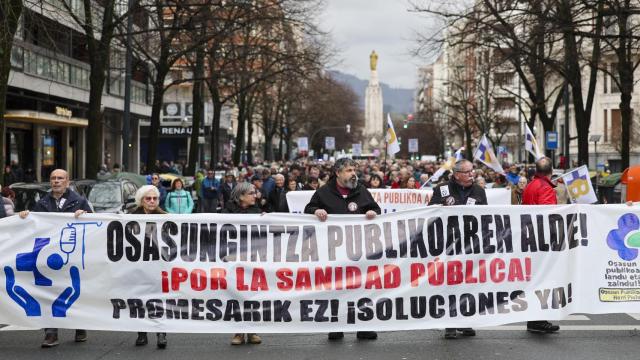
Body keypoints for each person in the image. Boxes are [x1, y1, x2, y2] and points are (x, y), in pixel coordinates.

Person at [304, 157, 381, 341]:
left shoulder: (361, 190)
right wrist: (316, 211)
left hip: (359, 251)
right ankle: (336, 326)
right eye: (348, 170)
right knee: (336, 289)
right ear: (337, 173)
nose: (353, 173)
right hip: (334, 251)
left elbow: (375, 208)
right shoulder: (324, 192)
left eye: (354, 170)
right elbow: (309, 208)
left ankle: (363, 327)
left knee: (361, 288)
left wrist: (372, 212)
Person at [18, 169, 92, 348]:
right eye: (53, 178)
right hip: (47, 256)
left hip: (71, 256)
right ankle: (51, 333)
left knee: (74, 291)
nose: (56, 181)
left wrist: (85, 215)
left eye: (60, 178)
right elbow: (33, 228)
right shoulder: (41, 203)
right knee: (48, 293)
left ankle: (79, 325)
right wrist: (24, 217)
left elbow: (93, 226)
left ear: (67, 182)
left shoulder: (79, 201)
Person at [429, 159, 485, 339]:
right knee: (450, 285)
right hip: (448, 245)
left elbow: (486, 216)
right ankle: (450, 323)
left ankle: (465, 321)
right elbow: (431, 214)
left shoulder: (479, 191)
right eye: (468, 172)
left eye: (472, 171)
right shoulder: (442, 189)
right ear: (457, 174)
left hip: (470, 245)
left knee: (468, 283)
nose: (472, 174)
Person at [521, 157, 561, 334]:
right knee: (543, 280)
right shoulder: (545, 188)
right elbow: (548, 216)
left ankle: (535, 319)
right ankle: (538, 320)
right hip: (542, 240)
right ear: (551, 171)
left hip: (530, 238)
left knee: (535, 279)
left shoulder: (531, 185)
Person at [221, 182, 263, 346]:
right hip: (233, 259)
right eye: (252, 193)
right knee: (236, 294)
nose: (255, 195)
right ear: (241, 196)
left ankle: (252, 330)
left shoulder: (258, 211)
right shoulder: (227, 212)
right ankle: (239, 331)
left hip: (252, 258)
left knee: (251, 294)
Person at [131, 185, 168, 348]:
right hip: (138, 267)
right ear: (141, 201)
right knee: (139, 299)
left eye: (155, 198)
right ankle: (141, 333)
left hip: (159, 267)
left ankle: (161, 333)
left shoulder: (166, 217)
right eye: (148, 198)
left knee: (159, 300)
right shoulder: (130, 218)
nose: (152, 201)